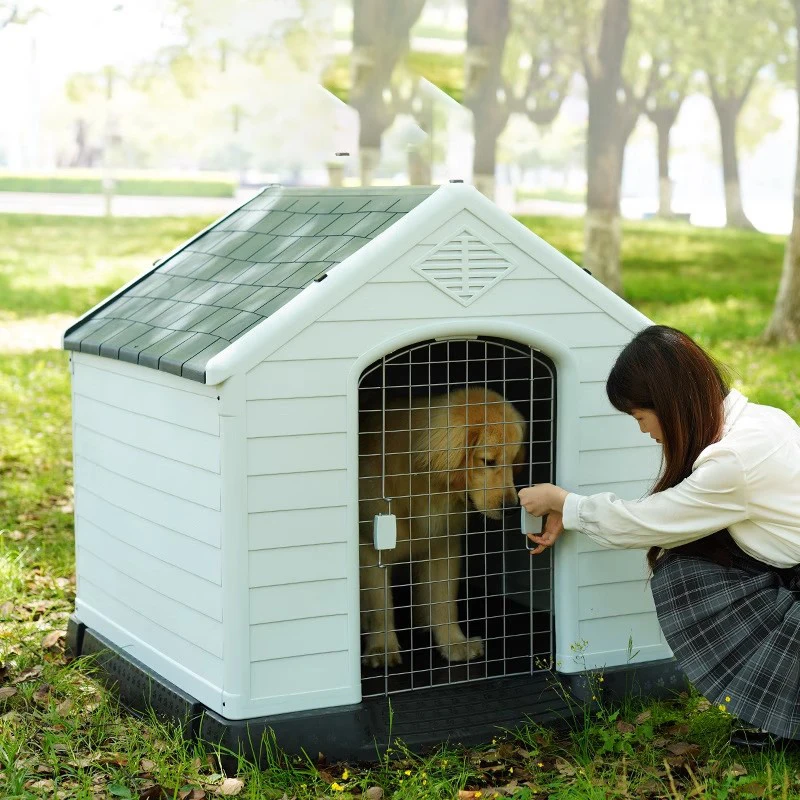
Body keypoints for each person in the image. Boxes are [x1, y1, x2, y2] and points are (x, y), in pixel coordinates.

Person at [518, 324, 800, 748]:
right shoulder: (763, 421)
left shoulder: (733, 462)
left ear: (668, 405)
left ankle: (785, 720)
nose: (643, 431)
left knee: (682, 573)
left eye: (640, 417)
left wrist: (563, 501)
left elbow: (643, 523)